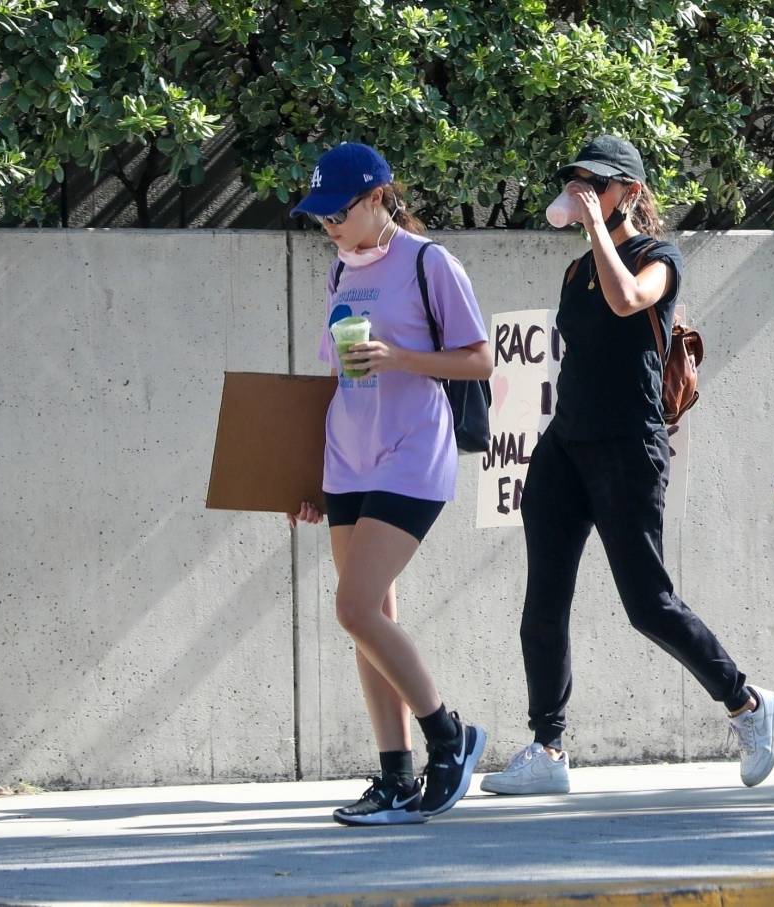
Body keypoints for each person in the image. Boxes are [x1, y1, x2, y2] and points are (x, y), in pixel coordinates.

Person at [481, 136, 774, 796]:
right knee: (543, 602)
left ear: (630, 193)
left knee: (647, 604)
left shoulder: (657, 258)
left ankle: (747, 704)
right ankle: (548, 746)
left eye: (597, 181)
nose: (582, 188)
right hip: (566, 443)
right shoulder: (574, 271)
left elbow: (628, 303)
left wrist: (595, 227)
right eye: (576, 179)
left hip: (628, 446)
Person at [288, 142, 492, 825]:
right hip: (347, 454)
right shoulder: (339, 270)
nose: (329, 227)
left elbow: (481, 360)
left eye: (337, 213)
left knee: (353, 607)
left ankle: (448, 735)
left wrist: (401, 356)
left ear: (377, 197)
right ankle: (396, 777)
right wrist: (306, 475)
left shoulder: (430, 263)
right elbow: (337, 378)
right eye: (319, 217)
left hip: (412, 452)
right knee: (371, 621)